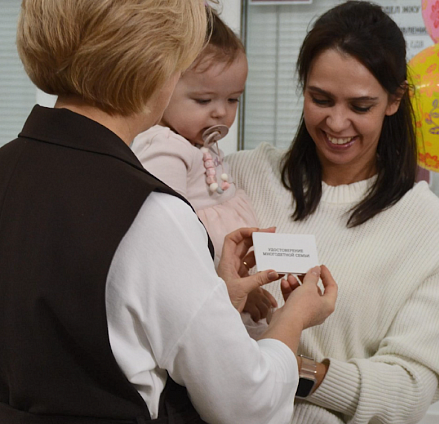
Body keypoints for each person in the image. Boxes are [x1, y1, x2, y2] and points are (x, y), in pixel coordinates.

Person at [0, 1, 337, 424]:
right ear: (154, 66)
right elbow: (247, 404)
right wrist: (294, 316)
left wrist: (218, 299)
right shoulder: (147, 213)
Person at [227, 1, 439, 423]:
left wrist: (294, 372)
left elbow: (413, 387)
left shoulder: (424, 223)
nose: (337, 123)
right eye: (321, 99)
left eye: (360, 106)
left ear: (394, 101)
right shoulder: (242, 176)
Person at [132, 8, 256, 269]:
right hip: (203, 281)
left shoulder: (203, 144)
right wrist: (223, 283)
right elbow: (168, 234)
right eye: (203, 100)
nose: (221, 112)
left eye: (233, 99)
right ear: (160, 88)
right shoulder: (165, 148)